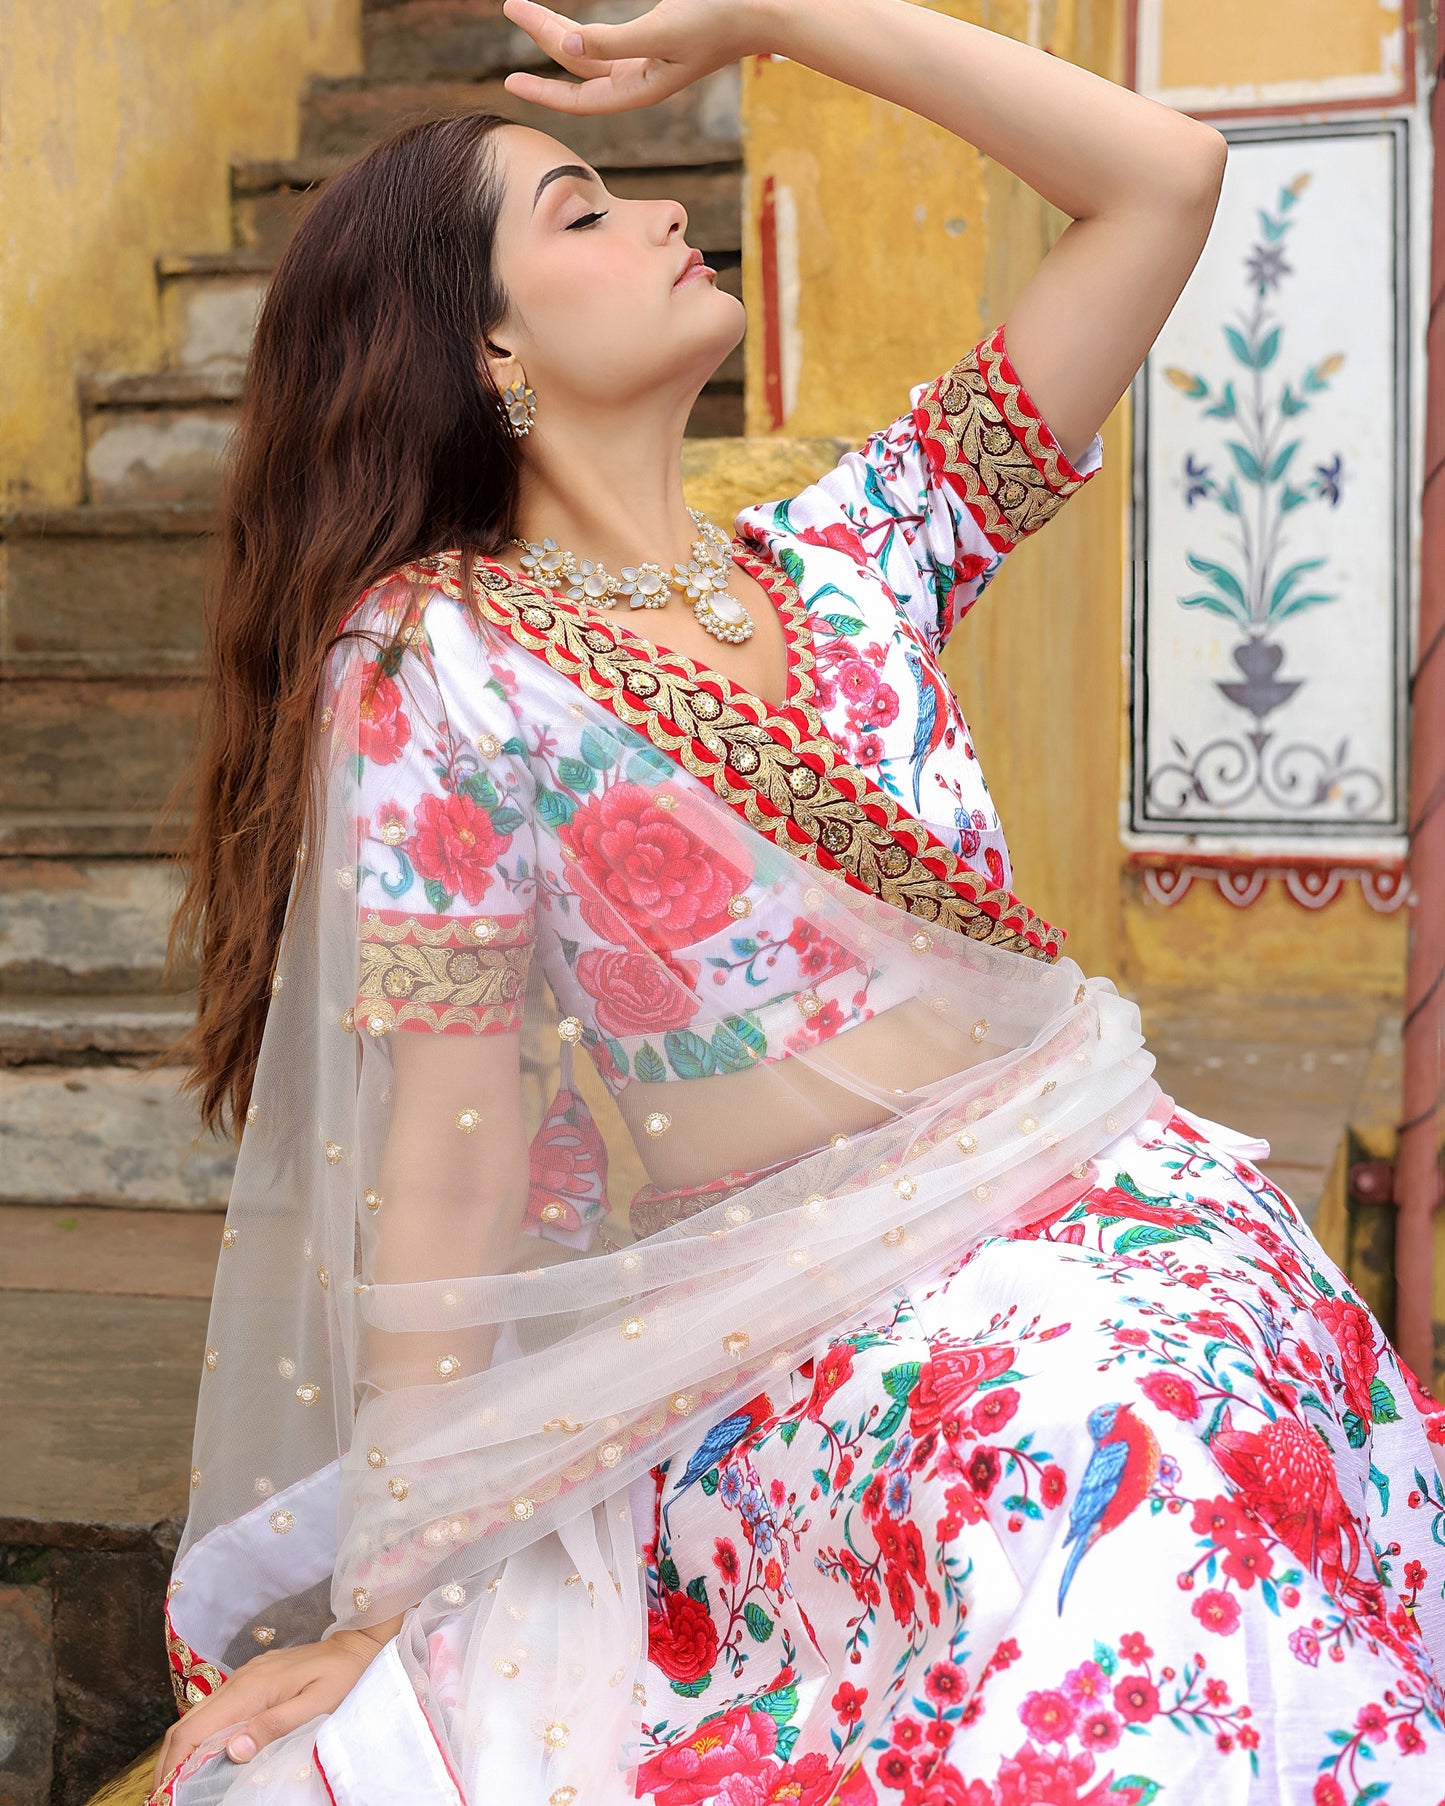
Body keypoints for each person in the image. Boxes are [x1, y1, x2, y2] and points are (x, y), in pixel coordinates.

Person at [146, 3, 1445, 1802]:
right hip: (810, 1324)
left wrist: (770, 18)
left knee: (1186, 1389)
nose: (664, 212)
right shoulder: (442, 659)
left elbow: (1163, 176)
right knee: (1107, 1438)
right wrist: (397, 1581)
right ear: (487, 342)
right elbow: (447, 1145)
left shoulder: (861, 548)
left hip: (1117, 1210)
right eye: (584, 209)